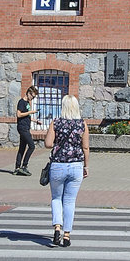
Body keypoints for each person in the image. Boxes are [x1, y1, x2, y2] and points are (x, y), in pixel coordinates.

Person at [44, 94, 89, 247]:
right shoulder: (82, 124)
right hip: (76, 165)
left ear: (63, 107)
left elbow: (48, 144)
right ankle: (67, 235)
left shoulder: (55, 122)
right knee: (70, 201)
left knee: (56, 198)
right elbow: (86, 147)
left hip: (58, 165)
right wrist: (86, 166)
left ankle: (57, 227)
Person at [14, 85, 38, 175]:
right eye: (33, 96)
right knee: (32, 146)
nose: (33, 98)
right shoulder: (21, 102)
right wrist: (30, 112)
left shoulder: (27, 103)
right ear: (28, 93)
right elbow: (19, 115)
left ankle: (17, 167)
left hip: (26, 126)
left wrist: (35, 120)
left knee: (22, 148)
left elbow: (26, 116)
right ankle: (24, 166)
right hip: (22, 128)